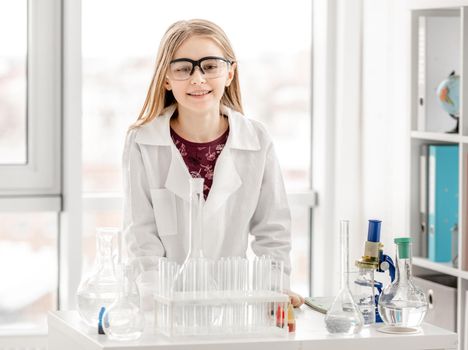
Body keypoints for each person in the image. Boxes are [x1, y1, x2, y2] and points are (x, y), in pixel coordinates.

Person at [123, 19, 304, 307]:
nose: (198, 79)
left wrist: (274, 290)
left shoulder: (256, 140)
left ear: (230, 73)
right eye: (183, 68)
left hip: (233, 303)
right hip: (163, 303)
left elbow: (273, 230)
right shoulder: (143, 142)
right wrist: (152, 297)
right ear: (166, 78)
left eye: (210, 66)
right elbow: (141, 234)